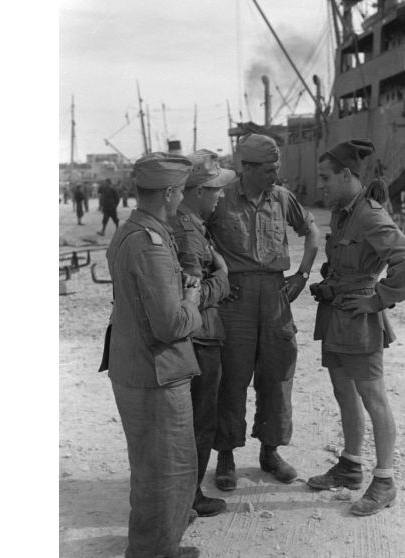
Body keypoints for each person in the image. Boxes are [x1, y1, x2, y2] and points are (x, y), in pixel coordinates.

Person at [307, 139, 405, 516]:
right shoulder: (342, 213)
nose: (321, 184)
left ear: (346, 174)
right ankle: (350, 466)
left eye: (326, 177)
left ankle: (385, 481)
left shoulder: (370, 214)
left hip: (360, 318)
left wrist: (378, 298)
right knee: (344, 393)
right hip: (337, 314)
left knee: (374, 398)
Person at [100, 152, 202, 558]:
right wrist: (192, 297)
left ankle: (151, 544)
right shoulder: (152, 245)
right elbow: (171, 324)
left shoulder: (131, 231)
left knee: (149, 467)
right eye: (180, 192)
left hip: (134, 364)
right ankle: (154, 552)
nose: (182, 199)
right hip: (156, 371)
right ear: (171, 193)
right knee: (167, 470)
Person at [207, 133, 320, 491]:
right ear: (248, 168)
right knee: (231, 379)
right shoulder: (221, 199)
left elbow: (312, 229)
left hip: (275, 296)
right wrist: (218, 272)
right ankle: (226, 456)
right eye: (270, 170)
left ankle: (270, 452)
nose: (276, 176)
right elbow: (197, 238)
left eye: (277, 169)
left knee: (277, 375)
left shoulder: (282, 198)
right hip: (234, 301)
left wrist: (302, 273)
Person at [170, 149, 236, 517]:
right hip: (200, 338)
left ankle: (185, 491)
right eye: (215, 189)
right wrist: (223, 279)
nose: (220, 195)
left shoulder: (188, 222)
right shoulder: (188, 231)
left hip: (200, 336)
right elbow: (189, 297)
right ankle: (189, 495)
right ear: (197, 191)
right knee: (199, 420)